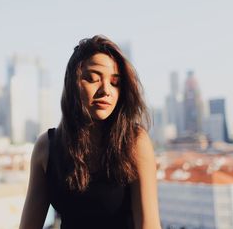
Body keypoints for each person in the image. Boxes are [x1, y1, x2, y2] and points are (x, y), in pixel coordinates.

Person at [20, 35, 161, 229]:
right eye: (93, 78)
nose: (106, 90)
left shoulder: (135, 142)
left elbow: (149, 225)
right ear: (72, 84)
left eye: (115, 82)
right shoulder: (47, 147)